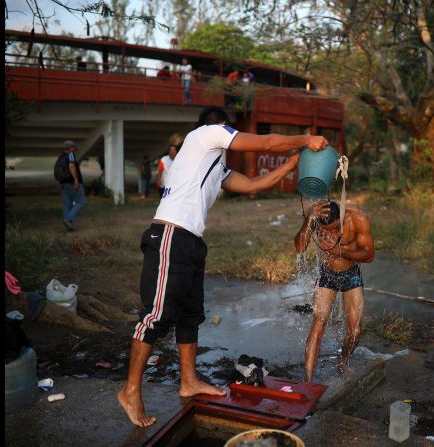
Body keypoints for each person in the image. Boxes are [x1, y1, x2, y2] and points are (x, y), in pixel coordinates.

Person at [117, 106, 329, 428]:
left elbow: (256, 185)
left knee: (190, 316)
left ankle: (188, 380)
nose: (231, 137)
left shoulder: (214, 168)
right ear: (221, 128)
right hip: (170, 235)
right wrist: (305, 138)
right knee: (156, 316)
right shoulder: (204, 134)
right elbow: (267, 142)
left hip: (190, 241)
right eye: (229, 131)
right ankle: (130, 390)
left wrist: (293, 163)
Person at [294, 200, 375, 382]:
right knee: (318, 324)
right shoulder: (315, 215)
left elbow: (369, 255)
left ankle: (343, 361)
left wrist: (340, 251)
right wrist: (308, 220)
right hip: (327, 274)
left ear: (341, 217)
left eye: (334, 229)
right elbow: (299, 248)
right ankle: (308, 380)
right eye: (325, 230)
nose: (329, 233)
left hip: (351, 275)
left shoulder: (358, 218)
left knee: (354, 331)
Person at [57, 140, 86, 231]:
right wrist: (76, 180)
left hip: (63, 183)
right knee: (81, 201)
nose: (74, 148)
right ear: (69, 148)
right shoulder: (70, 155)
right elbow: (71, 166)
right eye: (73, 147)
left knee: (67, 204)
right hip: (71, 182)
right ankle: (68, 219)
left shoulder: (61, 156)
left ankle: (68, 226)